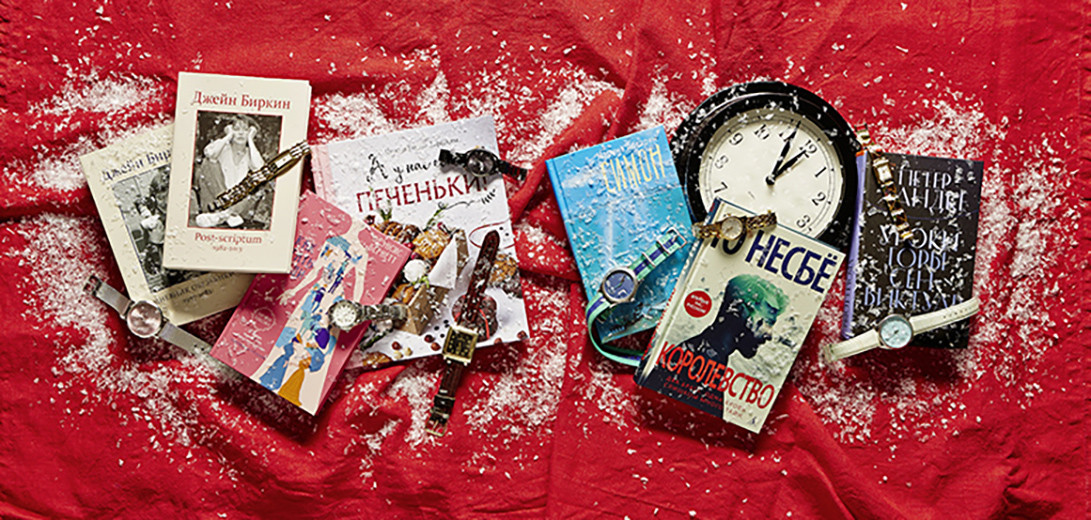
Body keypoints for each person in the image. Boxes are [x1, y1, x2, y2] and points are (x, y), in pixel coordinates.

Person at [189, 114, 272, 229]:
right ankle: (225, 214)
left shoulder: (250, 153)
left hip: (238, 205)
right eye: (236, 129)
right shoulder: (222, 147)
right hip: (215, 202)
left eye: (245, 130)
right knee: (208, 163)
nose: (241, 133)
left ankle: (224, 215)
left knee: (260, 179)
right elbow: (210, 154)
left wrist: (250, 140)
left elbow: (260, 169)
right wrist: (228, 136)